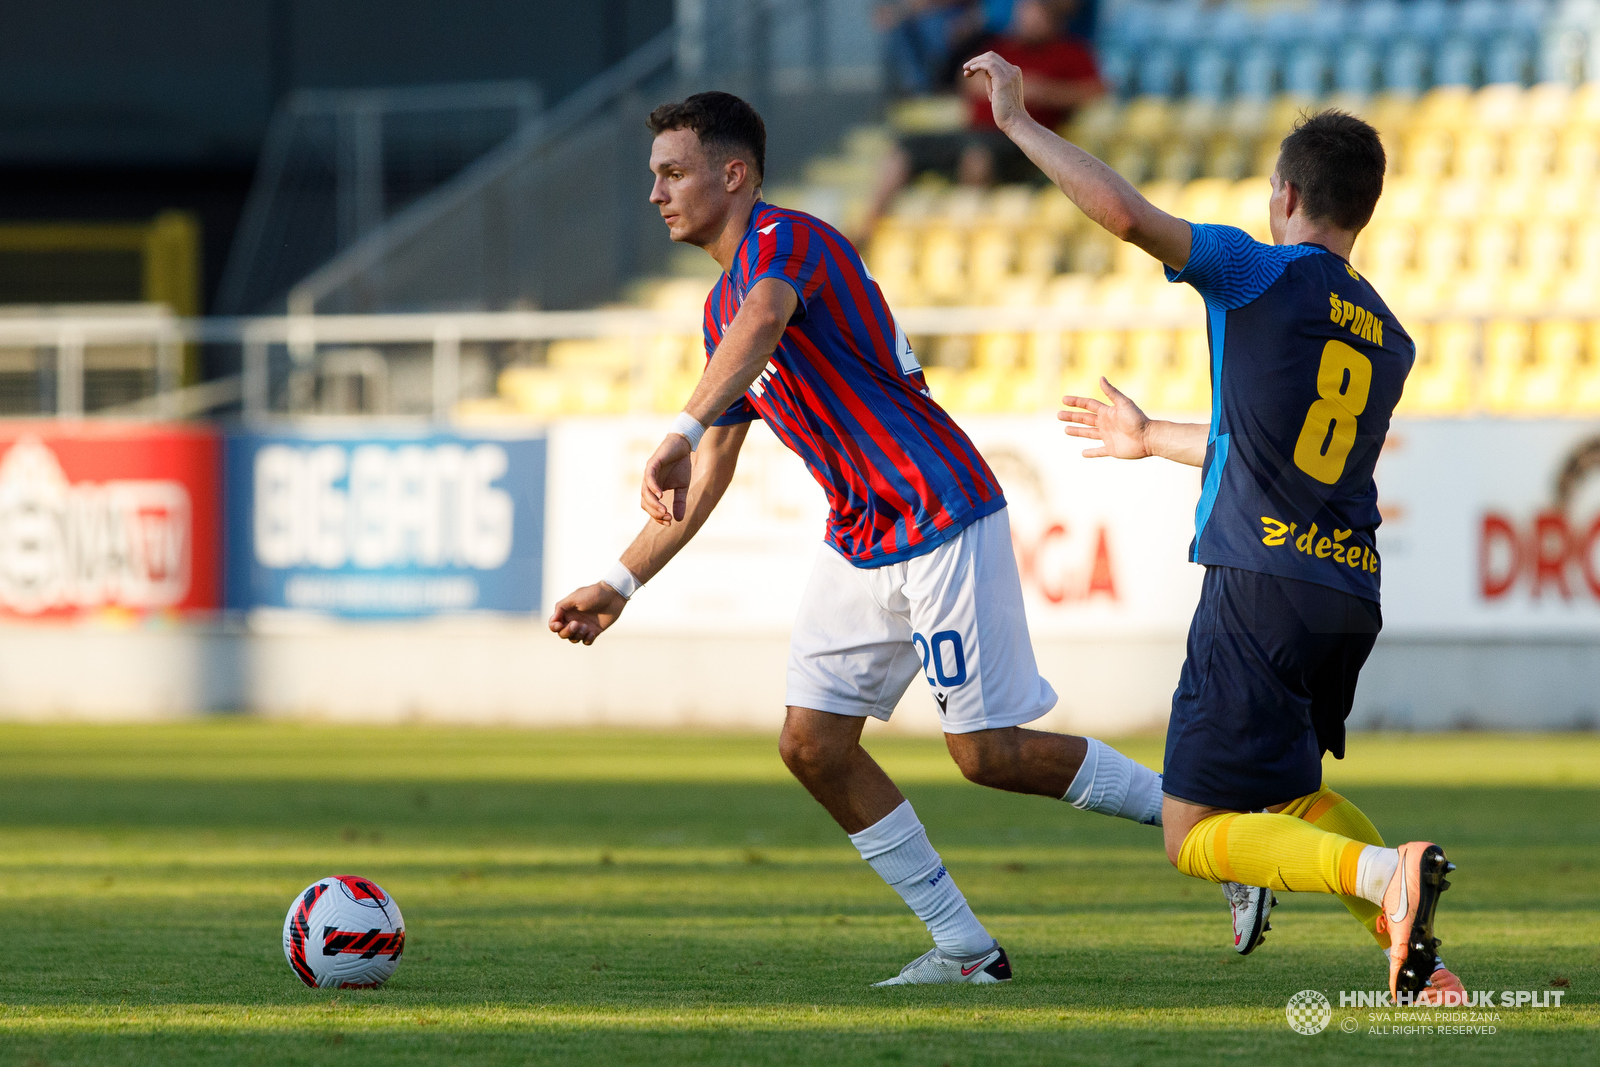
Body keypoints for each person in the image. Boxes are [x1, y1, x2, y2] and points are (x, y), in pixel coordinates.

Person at [548, 90, 1167, 986]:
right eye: (653, 176)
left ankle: (1205, 818)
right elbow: (713, 469)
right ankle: (965, 949)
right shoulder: (720, 313)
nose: (656, 193)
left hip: (938, 508)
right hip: (861, 534)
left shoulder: (787, 242)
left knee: (987, 753)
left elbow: (765, 325)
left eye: (673, 172)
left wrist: (676, 428)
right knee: (812, 745)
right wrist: (619, 580)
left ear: (735, 174)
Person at [964, 50, 1463, 1002]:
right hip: (1347, 592)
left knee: (1191, 828)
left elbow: (1125, 215)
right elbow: (1277, 450)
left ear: (1283, 194)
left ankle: (1380, 873)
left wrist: (1021, 126)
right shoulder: (1387, 334)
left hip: (1260, 589)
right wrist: (1152, 436)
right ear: (1364, 209)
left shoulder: (1253, 269)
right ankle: (1420, 962)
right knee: (1290, 795)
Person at [860, 0, 1102, 240]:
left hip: (1023, 141)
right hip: (973, 132)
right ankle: (868, 225)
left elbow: (1096, 92)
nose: (1026, 21)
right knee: (904, 148)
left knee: (977, 156)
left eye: (1034, 15)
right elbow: (965, 77)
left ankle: (963, 237)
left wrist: (1044, 92)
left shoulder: (1071, 51)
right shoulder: (999, 47)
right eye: (1023, 14)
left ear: (1053, 20)